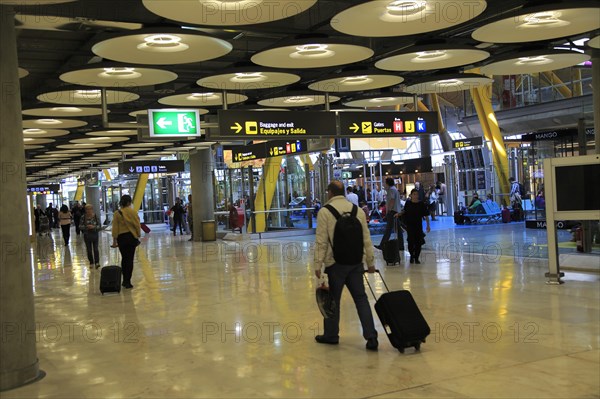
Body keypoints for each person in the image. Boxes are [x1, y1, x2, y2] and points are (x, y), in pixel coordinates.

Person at [314, 180, 378, 350]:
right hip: (356, 263)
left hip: (335, 264)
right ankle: (371, 337)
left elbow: (321, 242)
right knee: (361, 299)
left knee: (332, 300)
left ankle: (331, 335)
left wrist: (317, 264)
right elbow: (366, 239)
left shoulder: (325, 212)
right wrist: (370, 262)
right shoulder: (357, 211)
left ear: (330, 193)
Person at [111, 195, 141, 289]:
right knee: (130, 259)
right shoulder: (133, 212)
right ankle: (128, 281)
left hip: (121, 238)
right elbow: (137, 224)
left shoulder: (117, 213)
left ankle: (124, 280)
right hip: (131, 237)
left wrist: (114, 241)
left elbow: (115, 228)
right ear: (129, 202)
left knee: (124, 258)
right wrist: (138, 235)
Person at [399, 188, 431, 264]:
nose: (416, 196)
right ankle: (411, 255)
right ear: (411, 195)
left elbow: (426, 215)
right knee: (410, 241)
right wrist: (399, 214)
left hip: (418, 225)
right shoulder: (408, 203)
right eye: (414, 194)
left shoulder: (421, 204)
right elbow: (405, 211)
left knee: (418, 242)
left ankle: (416, 257)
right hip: (410, 225)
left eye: (417, 194)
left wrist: (428, 225)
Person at [375, 177, 404, 251]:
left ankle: (382, 245)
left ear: (388, 183)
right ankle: (401, 245)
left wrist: (389, 211)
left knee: (388, 229)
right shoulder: (394, 189)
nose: (384, 184)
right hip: (396, 211)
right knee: (398, 229)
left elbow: (392, 200)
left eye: (385, 183)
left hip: (392, 211)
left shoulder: (391, 190)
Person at [80, 204, 101, 269]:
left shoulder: (95, 216)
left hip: (95, 235)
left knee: (96, 249)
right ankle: (91, 262)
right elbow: (80, 226)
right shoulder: (83, 217)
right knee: (89, 250)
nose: (89, 210)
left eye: (90, 209)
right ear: (85, 210)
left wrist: (94, 227)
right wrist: (86, 227)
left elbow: (99, 226)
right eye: (87, 209)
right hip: (87, 235)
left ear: (92, 209)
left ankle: (97, 262)